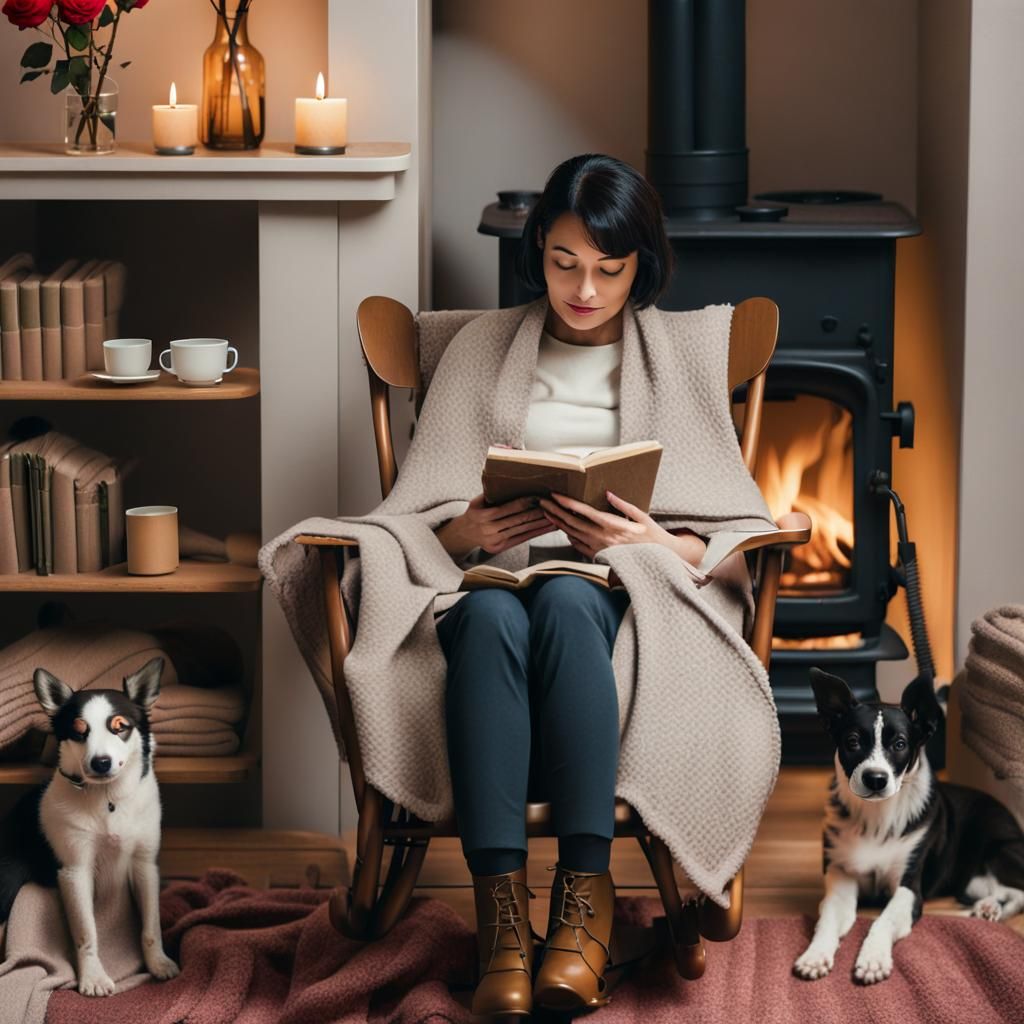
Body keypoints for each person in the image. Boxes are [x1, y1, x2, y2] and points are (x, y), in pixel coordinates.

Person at [432, 154, 710, 1016]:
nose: (585, 289)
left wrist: (650, 540)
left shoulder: (675, 359)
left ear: (640, 265)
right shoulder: (481, 348)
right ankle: (503, 928)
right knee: (491, 615)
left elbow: (731, 533)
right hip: (490, 582)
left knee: (564, 597)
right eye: (564, 263)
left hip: (612, 592)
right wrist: (469, 531)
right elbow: (413, 518)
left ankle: (582, 910)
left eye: (609, 269)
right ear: (537, 254)